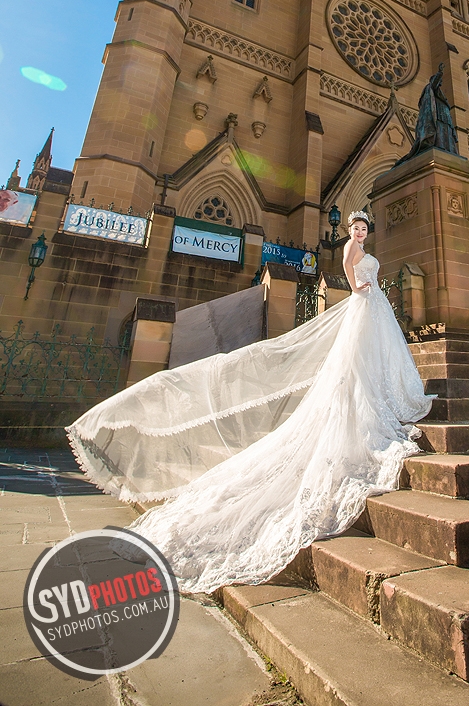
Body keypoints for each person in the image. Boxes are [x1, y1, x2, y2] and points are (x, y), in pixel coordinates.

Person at [67, 211, 434, 593]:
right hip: (363, 303)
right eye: (356, 228)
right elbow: (347, 268)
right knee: (355, 359)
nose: (359, 232)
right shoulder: (349, 249)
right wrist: (359, 288)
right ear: (350, 230)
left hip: (372, 307)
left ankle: (385, 391)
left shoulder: (363, 248)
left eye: (363, 229)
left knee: (371, 355)